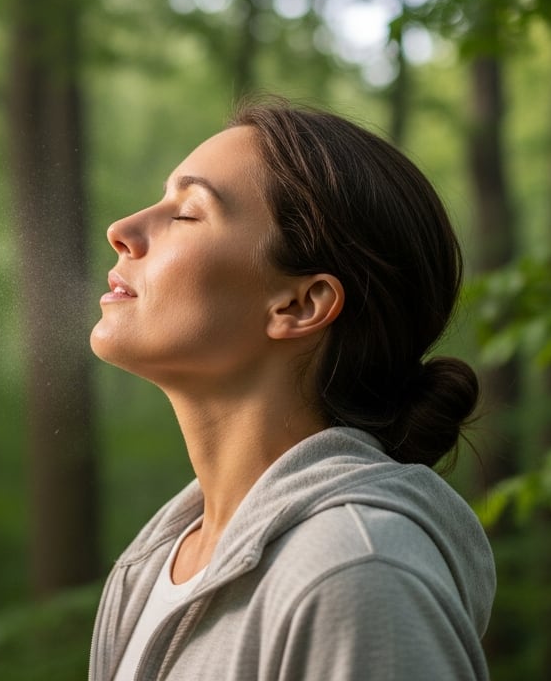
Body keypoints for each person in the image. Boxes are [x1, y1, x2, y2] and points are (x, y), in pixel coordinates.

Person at [87, 100, 496, 680]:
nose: (122, 231)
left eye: (187, 213)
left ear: (300, 304)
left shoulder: (356, 572)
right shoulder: (158, 565)